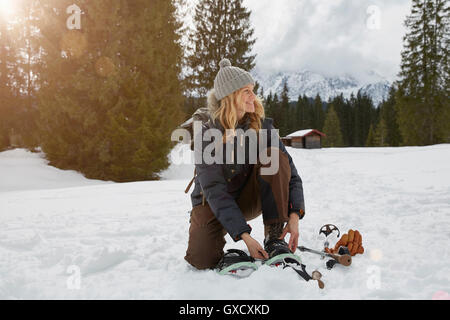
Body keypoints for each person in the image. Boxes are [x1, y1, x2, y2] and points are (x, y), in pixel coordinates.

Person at [184, 58, 306, 270]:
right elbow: (213, 190)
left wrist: (294, 216)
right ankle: (215, 234)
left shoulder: (264, 128)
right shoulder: (206, 134)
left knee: (275, 156)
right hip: (212, 203)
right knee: (202, 260)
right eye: (246, 91)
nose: (254, 97)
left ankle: (274, 239)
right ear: (230, 97)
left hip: (248, 198)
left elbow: (292, 177)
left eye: (253, 90)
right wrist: (245, 237)